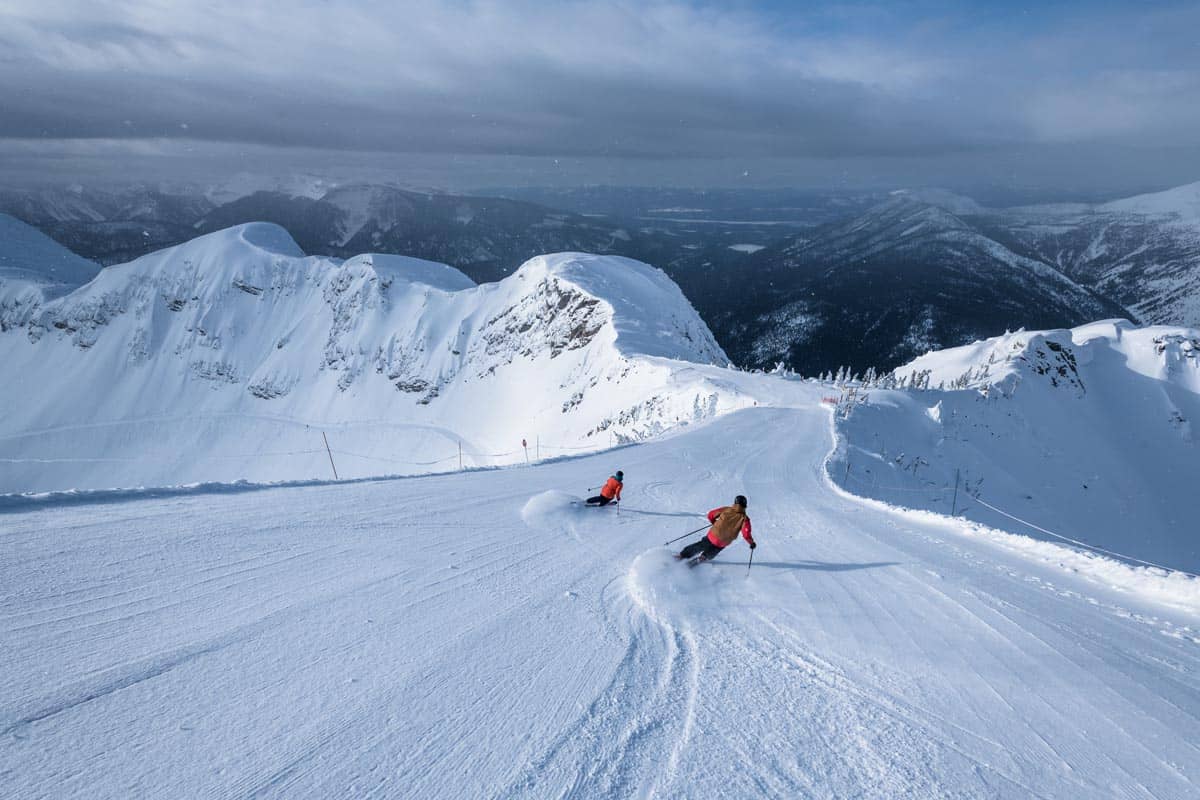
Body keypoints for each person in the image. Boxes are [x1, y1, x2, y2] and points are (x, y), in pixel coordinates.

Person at [678, 495, 755, 563]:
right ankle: (703, 558)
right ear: (745, 505)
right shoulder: (745, 519)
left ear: (735, 502)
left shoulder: (726, 509)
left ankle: (682, 556)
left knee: (701, 545)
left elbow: (710, 515)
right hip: (724, 541)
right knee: (715, 549)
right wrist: (751, 543)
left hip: (713, 535)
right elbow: (746, 533)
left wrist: (714, 522)